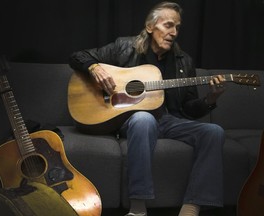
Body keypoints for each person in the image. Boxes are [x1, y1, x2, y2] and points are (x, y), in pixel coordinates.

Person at [69, 1, 226, 216]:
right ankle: (138, 209)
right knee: (144, 118)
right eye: (168, 25)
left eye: (177, 28)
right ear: (150, 27)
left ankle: (192, 207)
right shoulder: (124, 46)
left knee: (214, 131)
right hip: (129, 119)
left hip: (168, 120)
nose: (174, 32)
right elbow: (77, 56)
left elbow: (190, 109)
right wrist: (95, 68)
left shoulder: (183, 61)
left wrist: (211, 98)